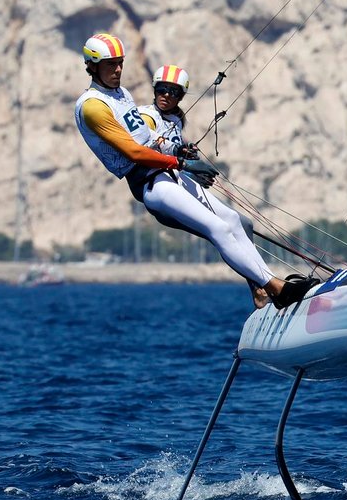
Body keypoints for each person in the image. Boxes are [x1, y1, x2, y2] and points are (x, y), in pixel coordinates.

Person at [73, 33, 315, 309]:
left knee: (236, 222)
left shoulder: (121, 93)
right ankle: (277, 289)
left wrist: (178, 152)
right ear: (92, 66)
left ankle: (263, 290)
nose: (117, 70)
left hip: (169, 174)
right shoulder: (93, 105)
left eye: (120, 63)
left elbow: (149, 139)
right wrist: (181, 163)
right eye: (110, 64)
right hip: (152, 185)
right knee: (219, 228)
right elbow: (134, 152)